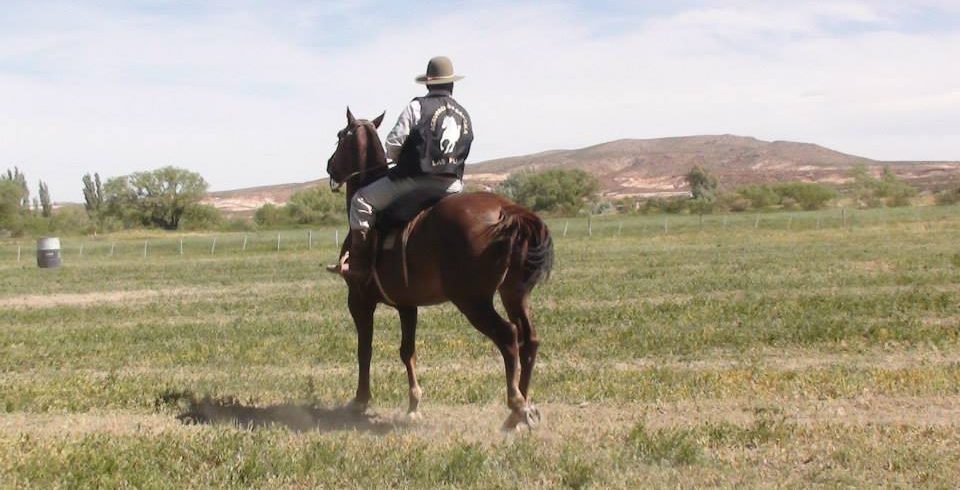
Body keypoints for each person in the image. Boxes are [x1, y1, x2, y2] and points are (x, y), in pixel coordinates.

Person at [338, 56, 474, 282]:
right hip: (453, 185)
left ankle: (359, 266)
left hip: (416, 181)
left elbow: (392, 145)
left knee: (361, 201)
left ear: (428, 83)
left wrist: (404, 159)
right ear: (451, 84)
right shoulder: (463, 113)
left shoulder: (417, 106)